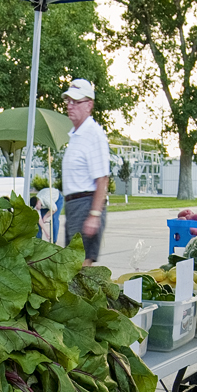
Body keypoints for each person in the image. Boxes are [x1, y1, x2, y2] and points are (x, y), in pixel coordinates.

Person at [61, 78, 110, 265]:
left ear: (89, 105)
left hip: (86, 204)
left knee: (81, 268)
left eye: (76, 102)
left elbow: (102, 179)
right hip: (74, 206)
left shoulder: (93, 134)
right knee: (72, 266)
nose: (70, 106)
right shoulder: (76, 135)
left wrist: (94, 215)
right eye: (68, 101)